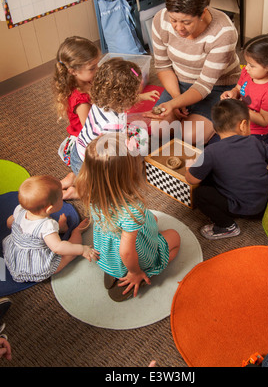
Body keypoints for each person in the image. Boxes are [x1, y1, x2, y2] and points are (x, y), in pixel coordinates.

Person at [75, 133, 181, 302]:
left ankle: (113, 270)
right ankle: (142, 275)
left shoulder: (90, 190)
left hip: (107, 250)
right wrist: (135, 271)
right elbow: (126, 251)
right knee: (174, 237)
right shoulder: (132, 209)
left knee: (152, 219)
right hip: (133, 257)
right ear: (128, 172)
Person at [148, 0, 241, 145]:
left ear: (202, 14)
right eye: (173, 20)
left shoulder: (223, 32)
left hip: (216, 87)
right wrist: (177, 101)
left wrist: (175, 104)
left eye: (186, 22)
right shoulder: (160, 20)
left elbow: (204, 85)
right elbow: (163, 66)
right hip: (179, 82)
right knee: (158, 129)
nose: (179, 28)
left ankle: (232, 104)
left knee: (192, 136)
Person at [185, 99, 268, 240]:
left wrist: (189, 166)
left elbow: (192, 179)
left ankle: (226, 226)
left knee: (200, 193)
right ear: (243, 125)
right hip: (266, 204)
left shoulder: (211, 151)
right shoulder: (256, 142)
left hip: (240, 207)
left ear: (216, 129)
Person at [64, 58, 150, 199]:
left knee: (139, 133)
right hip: (91, 167)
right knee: (110, 195)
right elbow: (112, 162)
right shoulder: (112, 125)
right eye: (135, 92)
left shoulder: (102, 102)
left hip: (79, 154)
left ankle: (73, 178)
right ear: (125, 97)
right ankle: (78, 192)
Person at [3, 175, 99, 282]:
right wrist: (82, 250)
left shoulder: (20, 210)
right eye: (60, 198)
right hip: (35, 265)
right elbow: (58, 248)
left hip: (15, 255)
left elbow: (9, 223)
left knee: (49, 237)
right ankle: (77, 232)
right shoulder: (46, 226)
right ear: (50, 208)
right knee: (69, 255)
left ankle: (60, 230)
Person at [53, 36, 101, 198]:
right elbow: (91, 132)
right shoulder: (81, 101)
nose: (97, 70)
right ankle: (75, 191)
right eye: (92, 68)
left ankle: (72, 177)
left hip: (83, 136)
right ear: (73, 71)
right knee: (102, 190)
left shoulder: (85, 81)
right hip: (84, 144)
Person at [221, 34, 268, 144]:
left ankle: (267, 144)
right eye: (247, 63)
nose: (246, 67)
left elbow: (264, 121)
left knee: (245, 155)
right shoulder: (247, 73)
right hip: (241, 121)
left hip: (258, 132)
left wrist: (239, 108)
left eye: (252, 65)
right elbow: (238, 88)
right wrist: (233, 92)